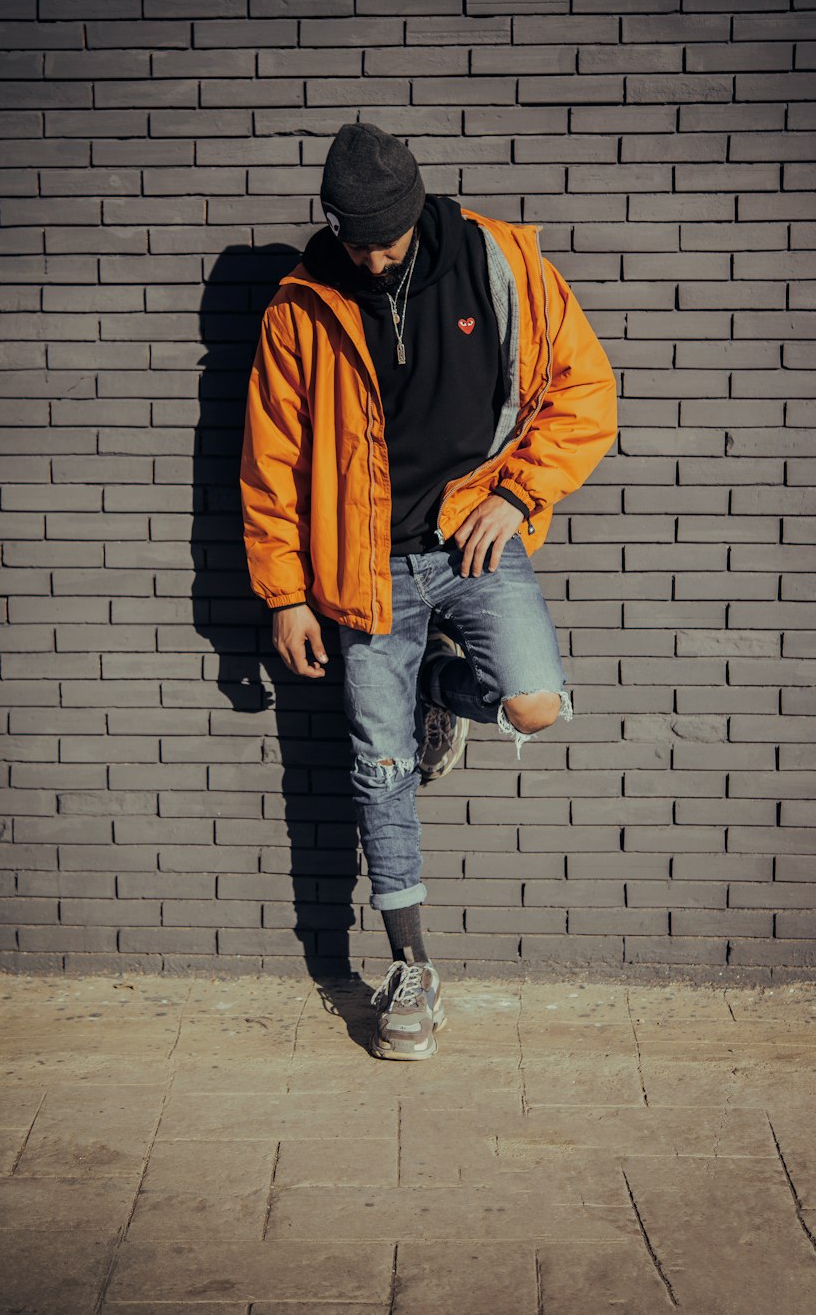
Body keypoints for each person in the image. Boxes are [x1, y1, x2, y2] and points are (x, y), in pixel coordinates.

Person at [240, 123, 617, 1060]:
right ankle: (410, 968)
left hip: (472, 541)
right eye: (354, 239)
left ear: (416, 212)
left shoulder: (500, 262)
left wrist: (521, 494)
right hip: (363, 568)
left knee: (534, 706)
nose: (371, 257)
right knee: (380, 767)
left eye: (387, 239)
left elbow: (585, 390)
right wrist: (285, 596)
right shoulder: (301, 306)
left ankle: (438, 689)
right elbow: (272, 461)